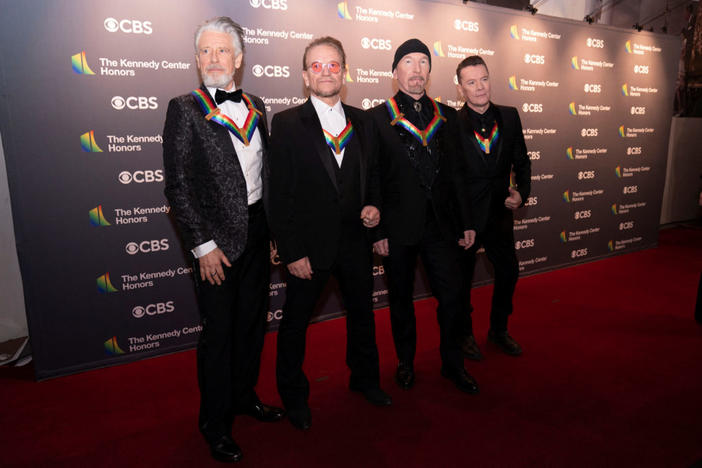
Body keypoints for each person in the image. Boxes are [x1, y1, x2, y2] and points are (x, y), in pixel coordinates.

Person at [162, 16, 284, 463]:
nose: (214, 59)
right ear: (197, 60)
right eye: (206, 52)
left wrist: (273, 231)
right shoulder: (183, 108)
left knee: (252, 325)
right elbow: (177, 186)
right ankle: (215, 423)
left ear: (238, 58)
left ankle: (244, 397)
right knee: (219, 334)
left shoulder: (256, 102)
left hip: (256, 232)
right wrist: (202, 246)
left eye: (222, 51)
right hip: (215, 244)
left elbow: (264, 173)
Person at [268, 37, 391, 431]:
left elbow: (372, 177)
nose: (325, 72)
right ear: (305, 76)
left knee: (363, 317)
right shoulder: (286, 123)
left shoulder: (365, 120)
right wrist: (291, 251)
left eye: (333, 65)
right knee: (294, 326)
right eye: (316, 66)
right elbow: (279, 192)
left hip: (356, 243)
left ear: (345, 71)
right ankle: (293, 397)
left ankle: (365, 380)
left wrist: (374, 207)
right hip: (308, 250)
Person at [367, 38, 478, 394]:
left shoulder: (448, 116)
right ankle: (405, 362)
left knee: (452, 297)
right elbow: (371, 178)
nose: (417, 70)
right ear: (395, 71)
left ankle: (452, 363)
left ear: (430, 70)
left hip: (442, 228)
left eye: (423, 62)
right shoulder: (376, 118)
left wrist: (467, 222)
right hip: (398, 229)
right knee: (400, 300)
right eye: (408, 62)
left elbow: (459, 174)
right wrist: (378, 229)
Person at [453, 56, 531, 360]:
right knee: (461, 282)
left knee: (509, 273)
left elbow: (522, 161)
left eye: (483, 79)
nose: (479, 87)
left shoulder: (510, 117)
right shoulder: (451, 124)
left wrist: (521, 193)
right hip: (466, 218)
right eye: (471, 82)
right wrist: (460, 219)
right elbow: (452, 177)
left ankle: (499, 330)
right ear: (461, 88)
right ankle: (464, 335)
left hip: (499, 214)